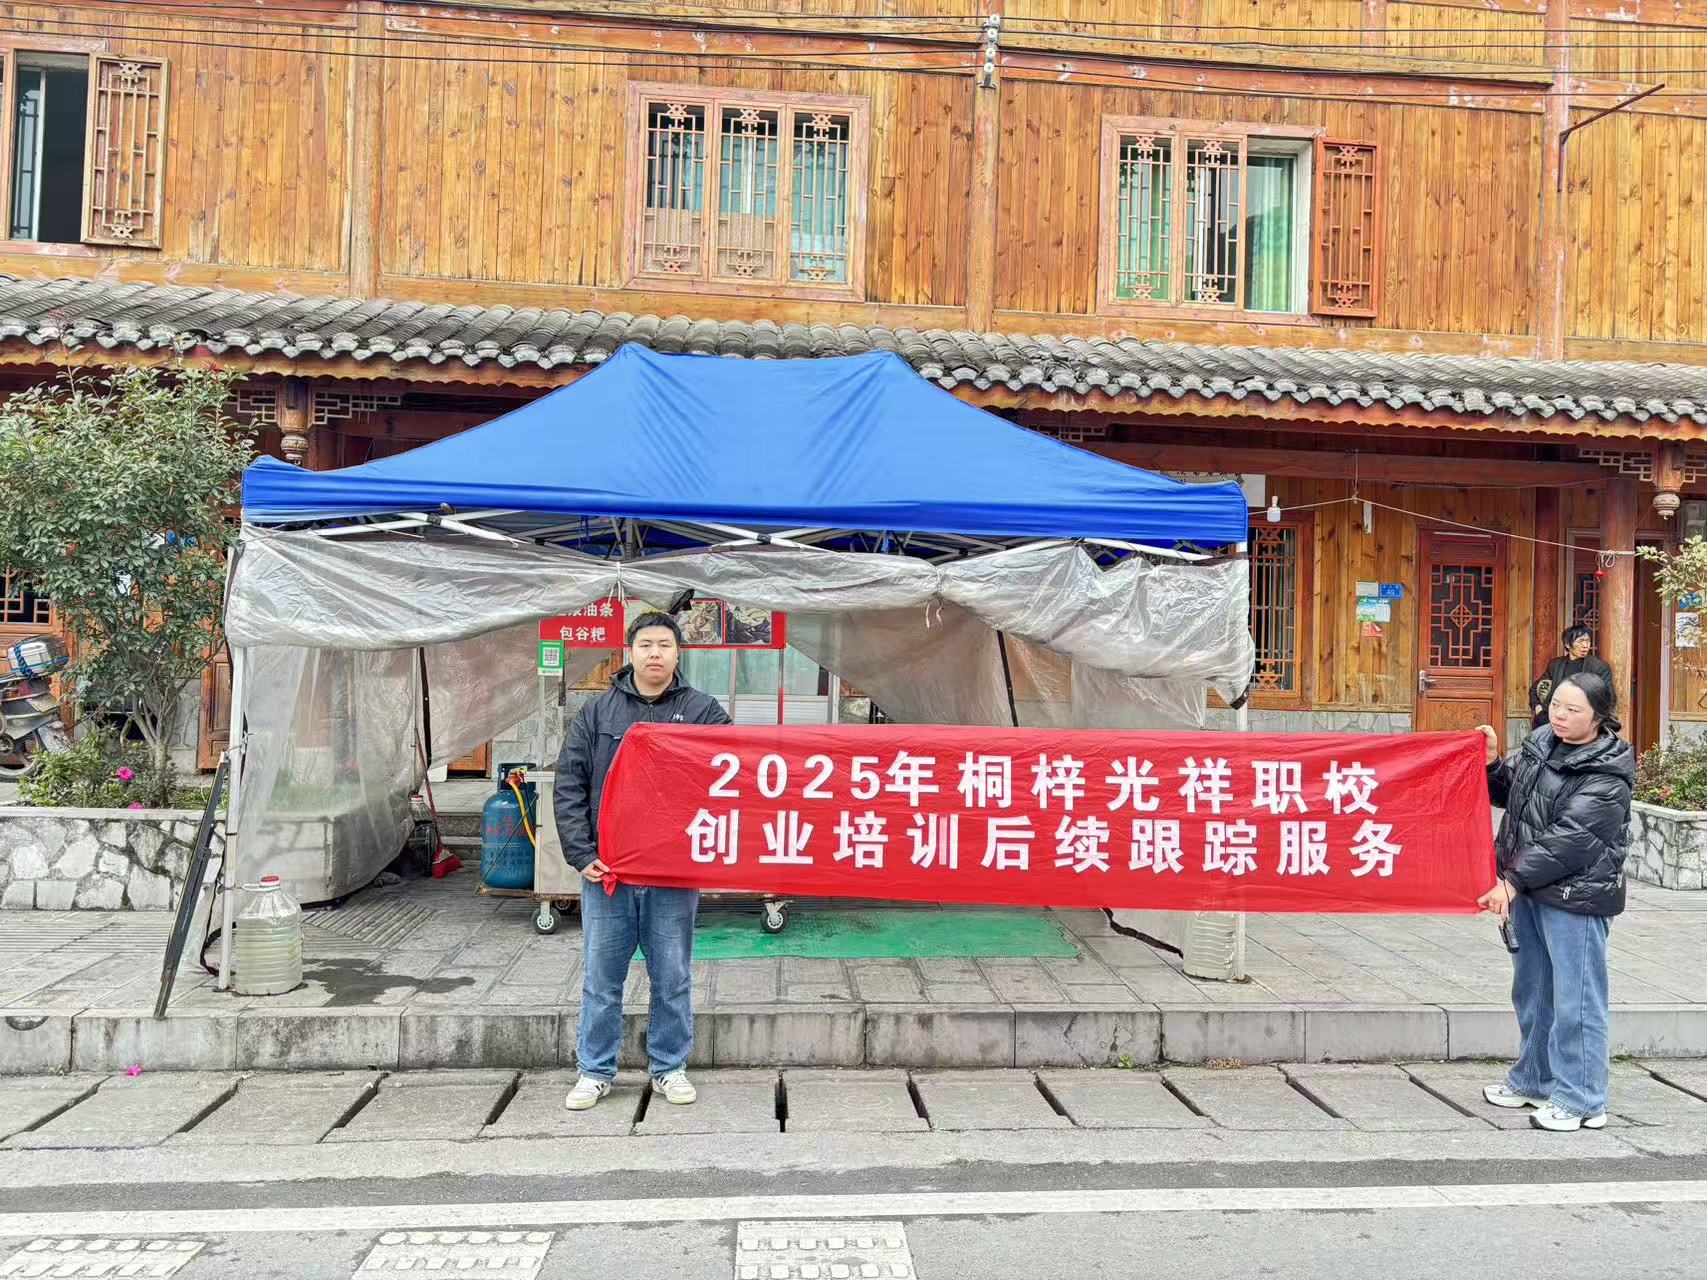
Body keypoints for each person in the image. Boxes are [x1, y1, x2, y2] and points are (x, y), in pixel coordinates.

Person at [554, 610, 731, 1112]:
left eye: (664, 645)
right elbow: (569, 784)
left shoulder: (703, 712)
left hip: (673, 871)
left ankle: (669, 1067)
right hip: (608, 872)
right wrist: (581, 853)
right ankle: (594, 1071)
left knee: (672, 975)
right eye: (646, 644)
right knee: (601, 977)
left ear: (678, 653)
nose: (655, 653)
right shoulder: (597, 714)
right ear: (629, 652)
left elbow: (732, 772)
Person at [1476, 671, 1633, 1132]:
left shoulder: (1607, 771)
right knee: (1534, 990)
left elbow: (1570, 839)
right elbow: (1515, 796)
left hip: (1575, 896)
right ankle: (1534, 1079)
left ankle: (1583, 1100)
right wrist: (1491, 764)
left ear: (1599, 717)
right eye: (1556, 705)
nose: (1559, 715)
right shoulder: (1543, 741)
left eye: (1573, 710)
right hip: (1529, 888)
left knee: (1576, 1001)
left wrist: (1511, 882)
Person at [1529, 624, 1613, 730]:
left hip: (1582, 724)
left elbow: (1608, 697)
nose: (1585, 645)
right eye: (1580, 641)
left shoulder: (1598, 667)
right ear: (1568, 644)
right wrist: (1539, 710)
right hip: (1552, 721)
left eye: (1587, 641)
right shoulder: (1555, 665)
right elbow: (1535, 689)